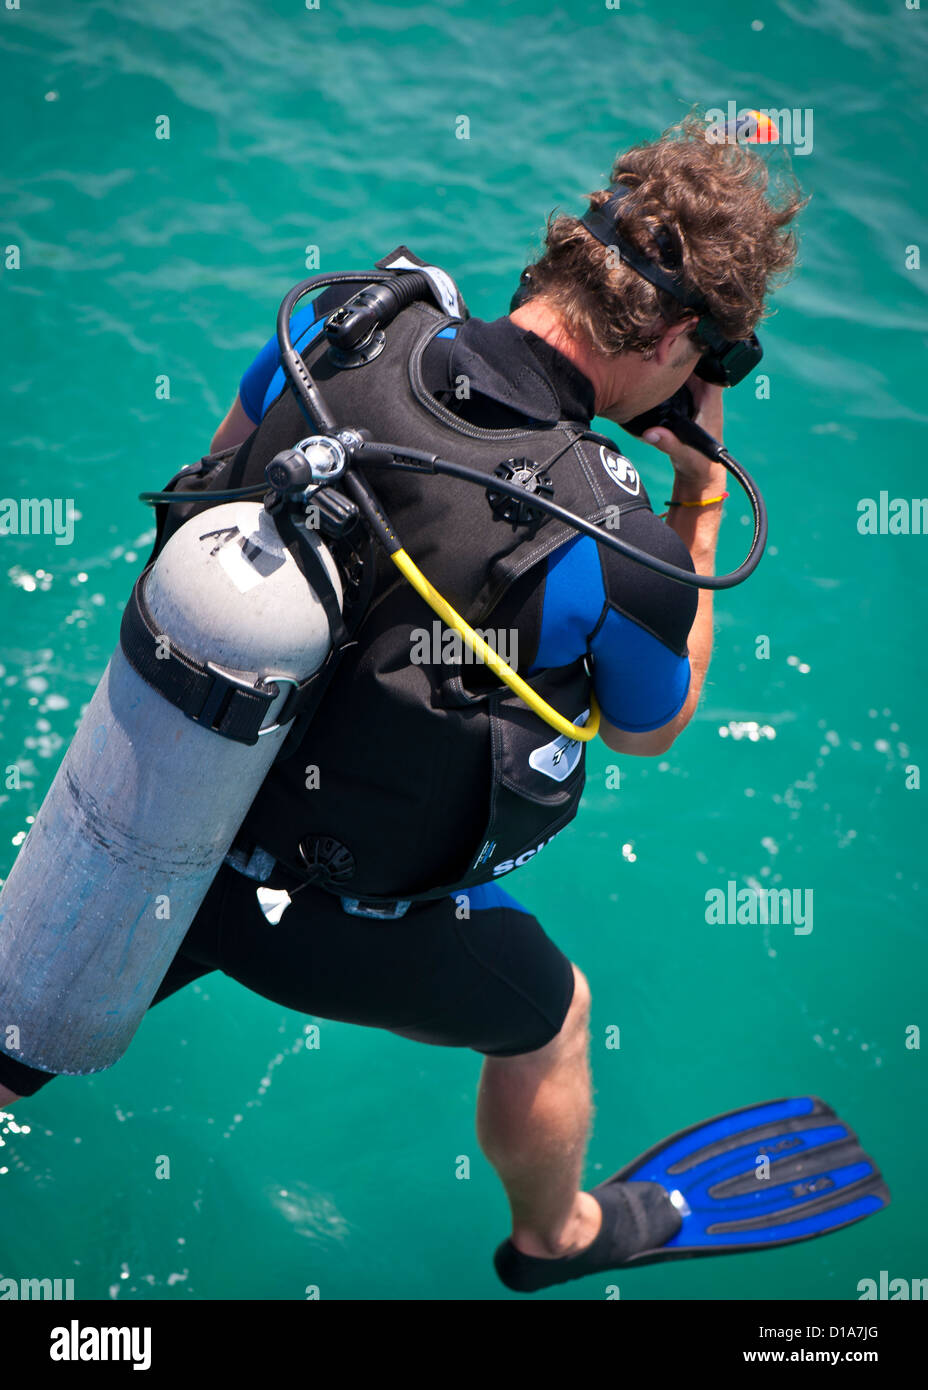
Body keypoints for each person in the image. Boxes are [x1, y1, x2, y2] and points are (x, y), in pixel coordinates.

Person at [7, 116, 862, 1294]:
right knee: (555, 1016)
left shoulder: (346, 321)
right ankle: (552, 1237)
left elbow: (222, 471)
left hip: (158, 791)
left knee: (10, 1044)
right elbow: (647, 726)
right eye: (712, 358)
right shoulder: (619, 548)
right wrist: (694, 502)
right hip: (317, 911)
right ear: (673, 339)